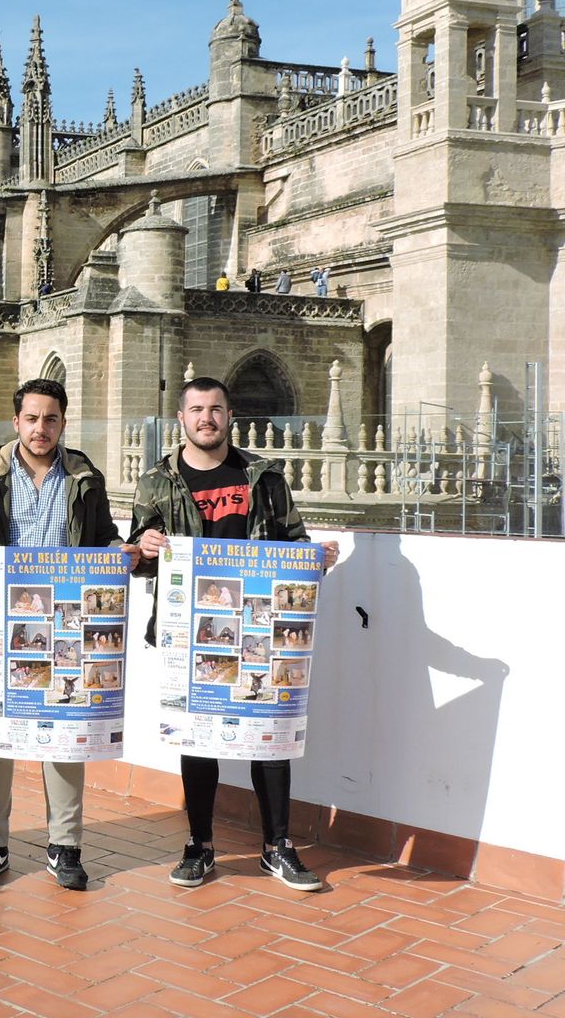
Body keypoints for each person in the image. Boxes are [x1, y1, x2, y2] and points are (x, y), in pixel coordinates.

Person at [128, 375, 339, 893]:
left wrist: (317, 559)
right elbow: (137, 557)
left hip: (262, 628)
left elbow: (293, 541)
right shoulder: (157, 480)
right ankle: (199, 845)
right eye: (196, 409)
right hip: (192, 634)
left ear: (229, 415)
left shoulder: (264, 476)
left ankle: (277, 847)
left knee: (269, 737)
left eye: (215, 409)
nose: (206, 418)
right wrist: (145, 547)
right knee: (198, 738)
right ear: (182, 419)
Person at [0, 377, 138, 891]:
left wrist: (119, 550)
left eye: (50, 419)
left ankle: (65, 847)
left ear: (62, 423)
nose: (40, 428)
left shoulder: (84, 476)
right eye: (31, 419)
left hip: (67, 625)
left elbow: (104, 539)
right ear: (16, 422)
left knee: (66, 731)